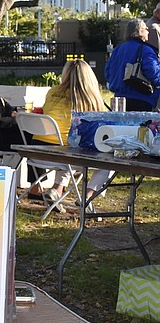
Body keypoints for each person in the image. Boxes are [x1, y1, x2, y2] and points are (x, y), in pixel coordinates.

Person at [34, 59, 114, 213]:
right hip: (66, 154)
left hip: (39, 152)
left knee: (67, 146)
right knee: (109, 161)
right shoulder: (89, 99)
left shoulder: (53, 91)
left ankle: (57, 190)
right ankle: (87, 196)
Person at [105, 18, 160, 111]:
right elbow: (152, 71)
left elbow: (108, 73)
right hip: (142, 99)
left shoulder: (118, 49)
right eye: (146, 29)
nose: (148, 32)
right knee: (140, 125)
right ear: (140, 31)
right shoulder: (146, 50)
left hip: (119, 100)